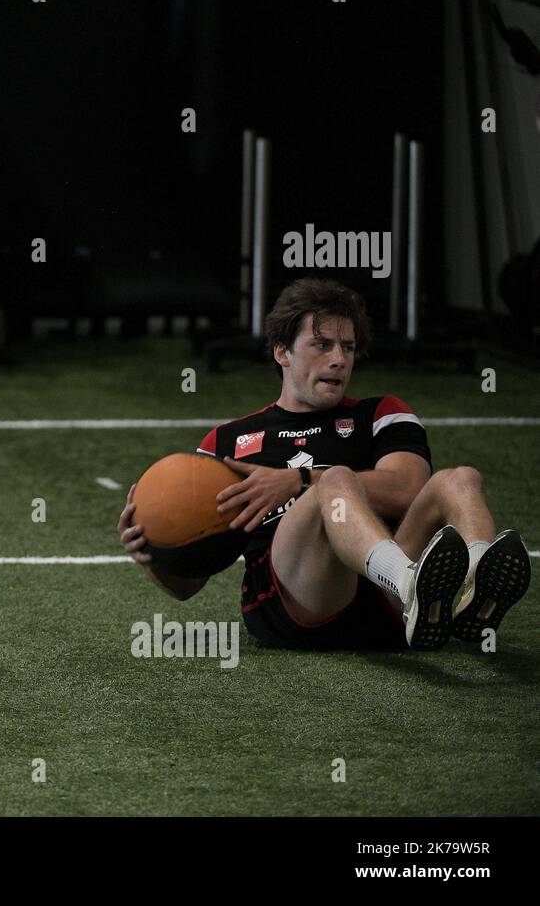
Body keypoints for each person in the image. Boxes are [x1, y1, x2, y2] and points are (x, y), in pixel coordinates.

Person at [117, 277, 531, 651]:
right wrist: (151, 555)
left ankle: (477, 590)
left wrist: (295, 480)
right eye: (322, 344)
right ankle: (412, 586)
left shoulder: (382, 413)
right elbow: (190, 585)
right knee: (335, 482)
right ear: (282, 351)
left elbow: (407, 488)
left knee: (460, 479)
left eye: (347, 347)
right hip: (296, 604)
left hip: (384, 602)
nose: (339, 359)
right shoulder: (226, 443)